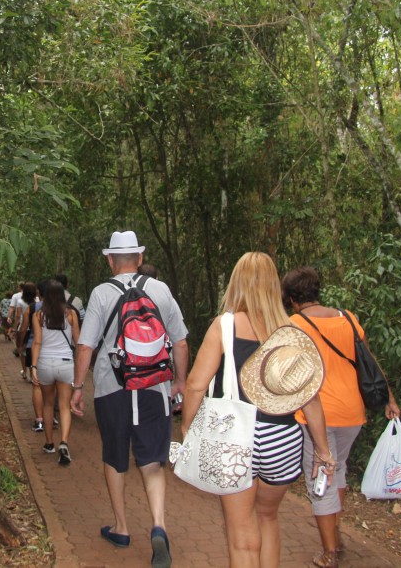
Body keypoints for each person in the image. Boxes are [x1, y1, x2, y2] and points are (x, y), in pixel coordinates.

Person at [182, 252, 336, 568]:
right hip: (283, 439)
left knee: (242, 534)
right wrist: (323, 451)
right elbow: (310, 398)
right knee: (267, 517)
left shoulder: (224, 326)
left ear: (237, 283)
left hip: (236, 438)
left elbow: (196, 385)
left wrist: (187, 428)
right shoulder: (289, 329)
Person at [70, 230, 188, 568]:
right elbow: (180, 342)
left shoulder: (101, 293)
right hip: (154, 388)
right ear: (139, 257)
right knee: (152, 463)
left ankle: (121, 528)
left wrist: (77, 387)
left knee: (115, 457)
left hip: (112, 390)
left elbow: (85, 346)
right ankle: (159, 526)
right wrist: (179, 382)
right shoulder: (160, 290)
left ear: (110, 260)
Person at [282, 266, 401, 568]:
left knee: (320, 475)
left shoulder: (294, 324)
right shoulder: (348, 318)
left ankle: (329, 553)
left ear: (292, 298)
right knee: (339, 468)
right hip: (352, 412)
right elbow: (369, 362)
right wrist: (389, 398)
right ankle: (334, 532)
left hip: (316, 415)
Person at [31, 279, 81, 465]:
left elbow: (37, 342)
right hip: (65, 363)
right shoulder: (71, 314)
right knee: (65, 405)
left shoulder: (38, 316)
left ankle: (49, 443)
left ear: (45, 296)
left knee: (48, 404)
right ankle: (64, 442)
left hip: (45, 363)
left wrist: (33, 367)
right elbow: (78, 342)